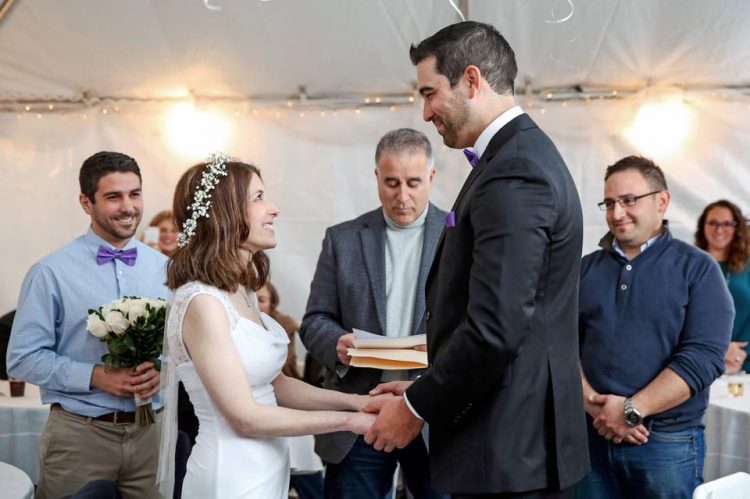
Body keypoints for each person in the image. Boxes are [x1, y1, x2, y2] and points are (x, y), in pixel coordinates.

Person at [363, 21, 590, 498]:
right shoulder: (513, 158)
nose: (425, 114)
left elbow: (496, 328)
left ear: (471, 79)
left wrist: (417, 408)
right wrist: (420, 386)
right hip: (510, 448)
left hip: (512, 454)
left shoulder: (516, 171)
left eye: (430, 93)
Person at [157, 153, 380, 499]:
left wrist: (355, 403)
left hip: (267, 467)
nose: (273, 208)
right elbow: (246, 417)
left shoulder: (240, 290)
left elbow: (276, 384)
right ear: (224, 211)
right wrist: (350, 422)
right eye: (259, 198)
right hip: (230, 477)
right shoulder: (202, 302)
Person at [6, 151, 168, 499]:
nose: (128, 207)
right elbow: (21, 358)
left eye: (134, 194)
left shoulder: (167, 269)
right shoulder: (51, 272)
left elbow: (184, 347)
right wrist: (97, 376)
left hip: (153, 435)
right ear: (85, 202)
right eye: (113, 196)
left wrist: (164, 371)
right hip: (80, 438)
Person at [300, 128, 447, 499]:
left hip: (433, 413)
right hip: (359, 413)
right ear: (376, 177)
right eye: (391, 183)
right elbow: (314, 320)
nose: (402, 196)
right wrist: (335, 343)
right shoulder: (343, 238)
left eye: (414, 182)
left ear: (431, 177)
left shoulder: (460, 236)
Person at [576, 156, 734, 498]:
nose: (617, 213)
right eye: (610, 203)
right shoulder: (584, 270)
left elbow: (703, 358)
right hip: (589, 438)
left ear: (661, 201)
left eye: (629, 200)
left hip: (666, 444)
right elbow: (555, 345)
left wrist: (632, 411)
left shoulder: (698, 269)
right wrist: (593, 404)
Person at [258, 280, 325, 499]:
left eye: (262, 300)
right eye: (253, 299)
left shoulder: (282, 327)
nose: (257, 305)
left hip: (286, 406)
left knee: (304, 471)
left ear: (272, 304)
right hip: (259, 412)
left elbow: (284, 372)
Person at [695, 200, 750, 373]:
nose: (719, 230)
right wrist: (720, 349)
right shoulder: (689, 266)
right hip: (699, 362)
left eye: (727, 224)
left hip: (743, 363)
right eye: (713, 223)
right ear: (703, 226)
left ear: (737, 228)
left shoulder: (748, 266)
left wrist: (740, 353)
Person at [258, 281, 301, 379]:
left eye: (261, 300)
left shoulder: (284, 325)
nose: (255, 304)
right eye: (250, 298)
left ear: (272, 305)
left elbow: (283, 365)